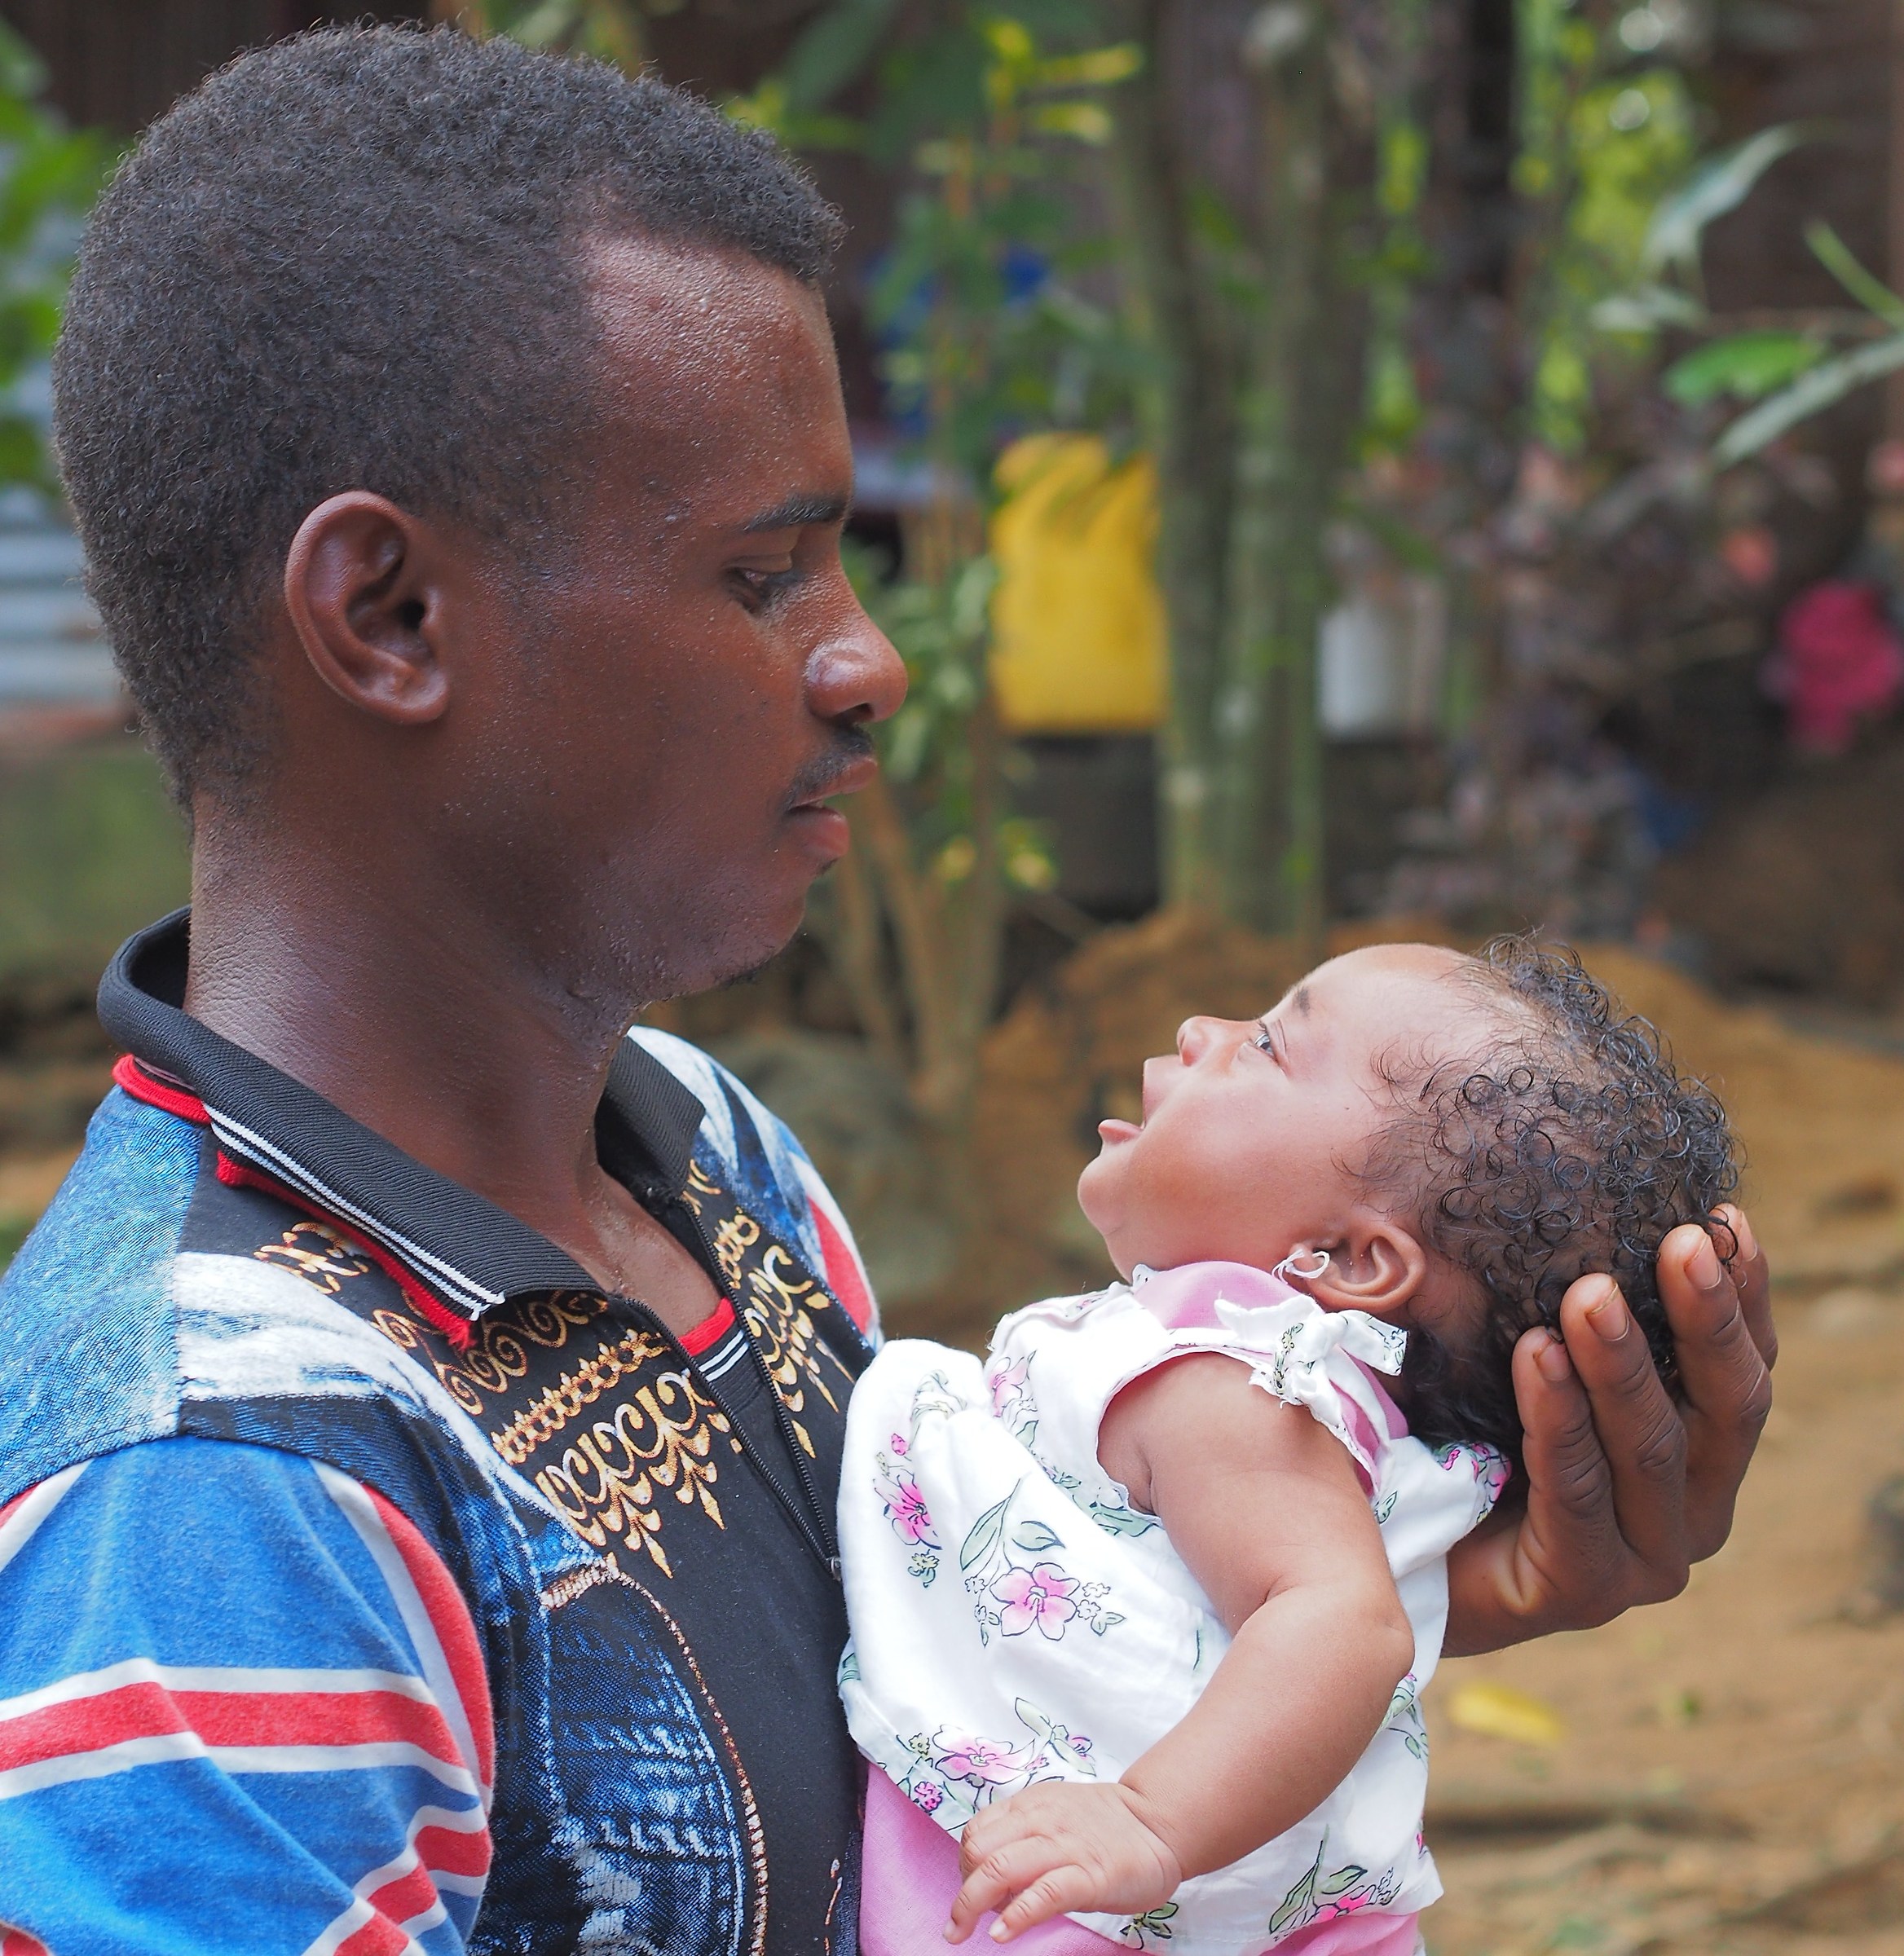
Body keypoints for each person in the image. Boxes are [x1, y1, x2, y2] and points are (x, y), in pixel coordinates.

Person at [0, 26, 1773, 1956]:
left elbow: (932, 1708)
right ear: (390, 616)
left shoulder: (706, 1149)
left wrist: (1412, 1587)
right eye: (762, 575)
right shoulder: (215, 1483)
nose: (867, 662)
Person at [838, 940, 1737, 1955]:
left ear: (1346, 1258)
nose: (1199, 1031)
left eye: (1266, 1045)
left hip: (1097, 1912)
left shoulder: (1228, 1381)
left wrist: (1146, 1818)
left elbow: (1343, 1622)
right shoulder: (1265, 1392)